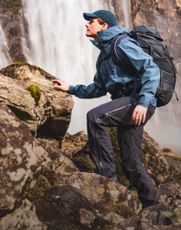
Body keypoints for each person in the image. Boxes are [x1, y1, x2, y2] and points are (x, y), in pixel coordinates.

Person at [52, 10, 160, 209]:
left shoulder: (122, 43)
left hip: (137, 101)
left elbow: (151, 69)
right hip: (127, 104)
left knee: (95, 117)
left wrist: (143, 103)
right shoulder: (104, 56)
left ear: (104, 26)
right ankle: (153, 205)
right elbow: (97, 88)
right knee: (131, 162)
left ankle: (109, 182)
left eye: (91, 22)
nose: (86, 25)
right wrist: (70, 88)